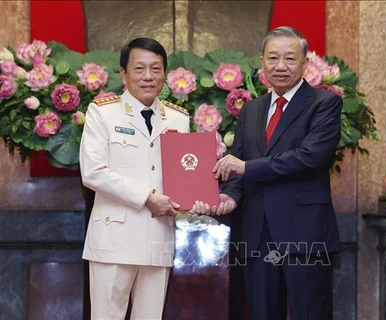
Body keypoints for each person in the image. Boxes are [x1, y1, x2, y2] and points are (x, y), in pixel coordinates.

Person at [192, 26, 343, 319]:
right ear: (262, 62)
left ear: (305, 63)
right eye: (273, 58)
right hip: (257, 234)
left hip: (305, 235)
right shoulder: (252, 110)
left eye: (290, 58)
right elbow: (238, 162)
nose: (281, 66)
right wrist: (229, 196)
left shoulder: (325, 104)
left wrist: (246, 168)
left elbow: (310, 157)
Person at [80, 37, 190, 320]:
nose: (148, 76)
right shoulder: (103, 112)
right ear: (124, 73)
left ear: (165, 74)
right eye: (139, 69)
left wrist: (194, 196)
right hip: (115, 239)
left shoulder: (178, 119)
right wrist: (146, 198)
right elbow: (93, 172)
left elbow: (185, 173)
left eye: (156, 68)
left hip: (158, 237)